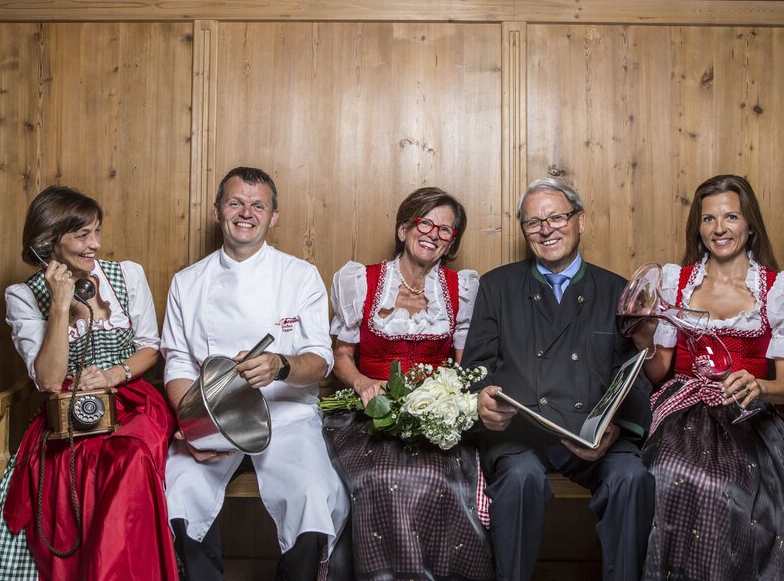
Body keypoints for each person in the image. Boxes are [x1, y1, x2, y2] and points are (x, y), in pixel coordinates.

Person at [629, 174, 784, 580]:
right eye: (709, 219)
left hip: (747, 416)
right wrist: (644, 335)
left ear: (750, 224)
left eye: (731, 216)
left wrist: (759, 385)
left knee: (733, 491)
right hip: (681, 415)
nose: (719, 228)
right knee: (668, 477)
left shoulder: (778, 289)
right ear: (698, 229)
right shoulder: (675, 282)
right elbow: (659, 371)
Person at [161, 166, 348, 581]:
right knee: (177, 493)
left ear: (273, 216)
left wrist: (281, 365)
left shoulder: (299, 276)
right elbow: (177, 364)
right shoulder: (187, 282)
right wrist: (193, 426)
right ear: (217, 211)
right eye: (235, 202)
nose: (246, 212)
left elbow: (320, 359)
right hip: (213, 422)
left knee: (313, 495)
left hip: (287, 419)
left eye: (257, 205)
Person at [463, 178, 655, 581]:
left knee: (632, 478)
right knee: (519, 480)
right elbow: (476, 369)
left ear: (580, 221)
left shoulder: (616, 290)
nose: (545, 229)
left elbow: (635, 375)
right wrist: (481, 402)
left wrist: (616, 429)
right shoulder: (497, 286)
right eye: (533, 223)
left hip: (593, 436)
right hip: (520, 435)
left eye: (556, 217)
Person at [0, 186, 177, 580]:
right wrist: (60, 305)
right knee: (71, 469)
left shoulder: (127, 274)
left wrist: (112, 375)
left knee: (130, 457)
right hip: (66, 409)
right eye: (82, 235)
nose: (94, 244)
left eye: (97, 231)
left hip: (132, 399)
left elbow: (150, 348)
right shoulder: (24, 295)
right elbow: (48, 379)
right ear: (48, 242)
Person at [323, 187, 494, 580]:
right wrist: (363, 383)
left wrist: (451, 402)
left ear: (451, 243)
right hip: (368, 414)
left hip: (435, 416)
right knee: (377, 479)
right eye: (425, 223)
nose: (433, 233)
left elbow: (463, 364)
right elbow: (341, 355)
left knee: (438, 479)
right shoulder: (361, 282)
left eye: (445, 230)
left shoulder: (460, 290)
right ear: (404, 229)